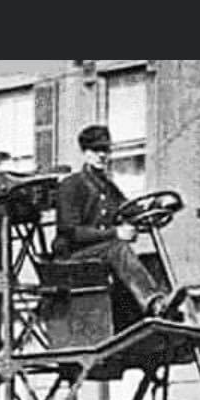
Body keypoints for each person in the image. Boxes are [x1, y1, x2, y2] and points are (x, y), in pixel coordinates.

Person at [52, 125, 171, 320]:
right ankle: (152, 302)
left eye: (105, 150)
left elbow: (127, 208)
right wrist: (114, 233)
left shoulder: (107, 187)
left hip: (97, 255)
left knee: (150, 260)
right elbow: (71, 231)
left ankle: (162, 307)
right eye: (96, 150)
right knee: (117, 248)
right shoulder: (70, 185)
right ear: (85, 153)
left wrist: (154, 207)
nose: (102, 155)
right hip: (70, 260)